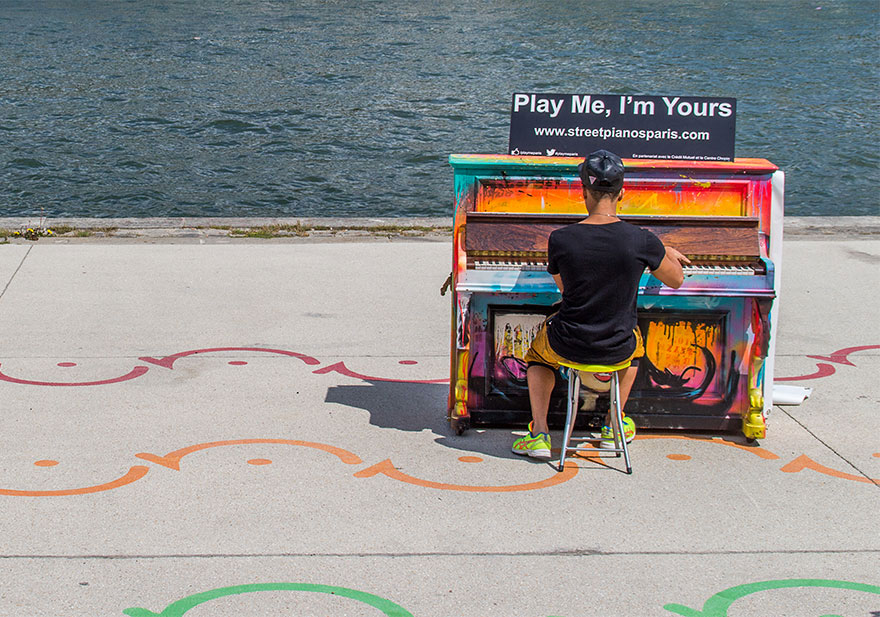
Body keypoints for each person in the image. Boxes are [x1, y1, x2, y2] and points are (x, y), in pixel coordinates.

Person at [512, 149, 690, 459]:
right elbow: (676, 280)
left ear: (583, 191)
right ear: (622, 192)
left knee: (538, 356)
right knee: (635, 348)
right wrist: (662, 252)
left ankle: (539, 434)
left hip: (568, 343)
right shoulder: (642, 240)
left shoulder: (561, 239)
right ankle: (612, 425)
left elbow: (566, 289)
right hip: (616, 345)